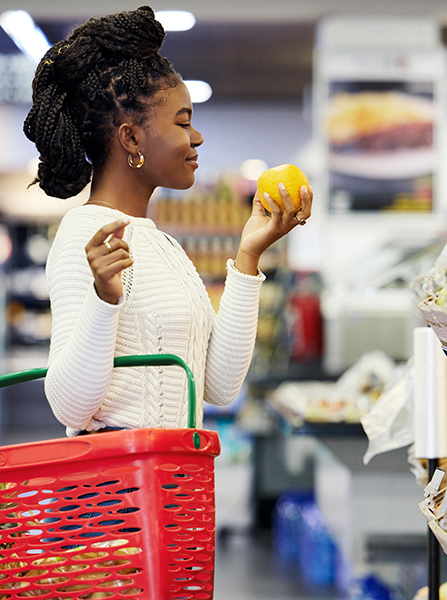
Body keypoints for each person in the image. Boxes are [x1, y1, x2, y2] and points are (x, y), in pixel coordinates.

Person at [23, 5, 312, 436]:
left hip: (174, 490)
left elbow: (218, 386)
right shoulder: (85, 235)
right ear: (131, 138)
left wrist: (250, 252)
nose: (196, 138)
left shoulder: (163, 245)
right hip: (118, 495)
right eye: (183, 122)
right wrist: (104, 298)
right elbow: (69, 407)